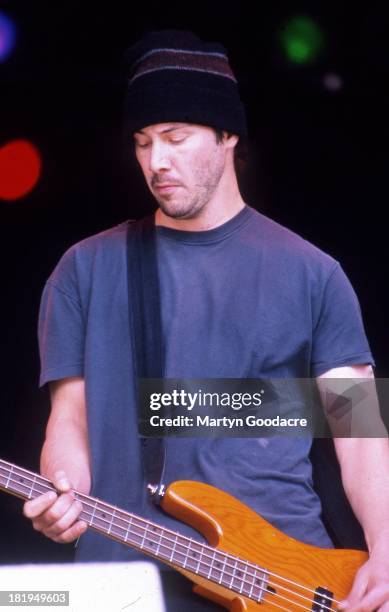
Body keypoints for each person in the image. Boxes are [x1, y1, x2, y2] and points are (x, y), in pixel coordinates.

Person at [23, 30, 389, 611]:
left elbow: (361, 430)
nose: (156, 161)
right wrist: (62, 497)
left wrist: (387, 550)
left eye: (175, 137)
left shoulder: (313, 273)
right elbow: (69, 421)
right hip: (127, 581)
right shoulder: (85, 269)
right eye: (142, 143)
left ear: (226, 135)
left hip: (292, 581)